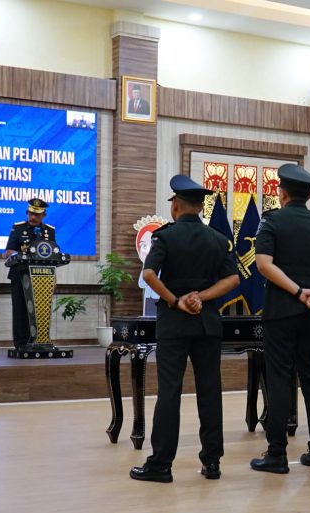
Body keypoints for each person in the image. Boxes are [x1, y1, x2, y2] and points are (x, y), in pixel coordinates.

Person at [129, 175, 239, 484]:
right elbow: (233, 279)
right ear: (201, 207)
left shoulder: (165, 237)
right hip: (207, 323)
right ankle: (212, 462)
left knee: (169, 392)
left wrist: (176, 300)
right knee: (210, 391)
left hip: (174, 325)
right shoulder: (218, 239)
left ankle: (161, 465)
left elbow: (149, 274)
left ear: (176, 206)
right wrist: (201, 297)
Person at [250, 163, 310, 474]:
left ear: (282, 193)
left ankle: (276, 454)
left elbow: (264, 264)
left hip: (281, 311)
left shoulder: (272, 221)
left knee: (279, 378)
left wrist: (298, 291)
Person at [4, 198, 55, 350]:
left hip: (44, 277)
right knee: (21, 310)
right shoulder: (18, 228)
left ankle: (41, 341)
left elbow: (52, 256)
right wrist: (23, 256)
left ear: (44, 215)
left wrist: (54, 278)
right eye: (31, 213)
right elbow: (9, 252)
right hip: (20, 275)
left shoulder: (49, 231)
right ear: (27, 213)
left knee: (41, 310)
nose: (33, 217)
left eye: (37, 215)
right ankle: (21, 343)